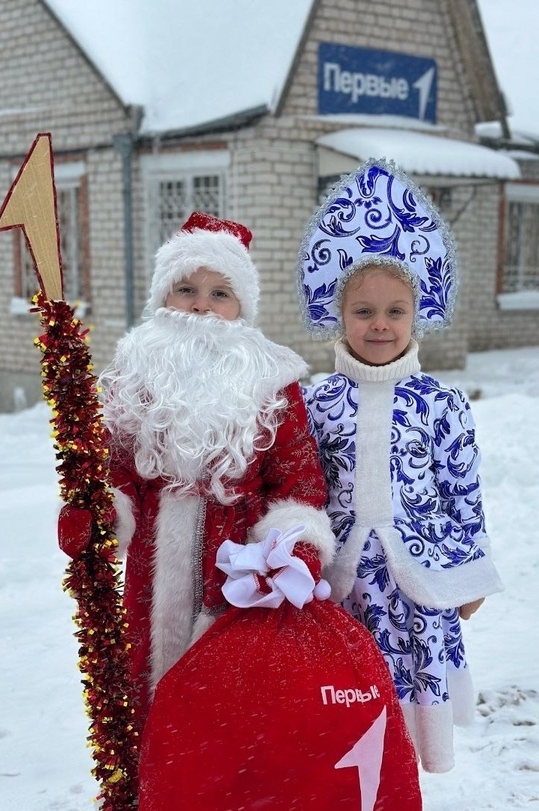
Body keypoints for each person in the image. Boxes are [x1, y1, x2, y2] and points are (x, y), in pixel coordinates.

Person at [59, 212, 335, 741]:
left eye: (220, 293)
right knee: (145, 673)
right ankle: (151, 776)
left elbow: (297, 479)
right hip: (152, 562)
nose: (201, 305)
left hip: (240, 564)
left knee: (230, 688)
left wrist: (293, 546)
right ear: (163, 297)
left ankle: (221, 778)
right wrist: (100, 515)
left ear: (241, 308)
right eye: (186, 289)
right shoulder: (137, 369)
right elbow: (116, 468)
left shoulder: (271, 381)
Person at [297, 160, 503, 774]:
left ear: (418, 313)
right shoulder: (315, 401)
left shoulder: (440, 403)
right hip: (341, 586)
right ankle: (350, 799)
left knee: (406, 704)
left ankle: (399, 797)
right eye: (363, 311)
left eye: (395, 311)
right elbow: (302, 486)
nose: (380, 324)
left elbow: (462, 492)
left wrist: (470, 575)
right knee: (346, 698)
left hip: (417, 582)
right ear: (338, 314)